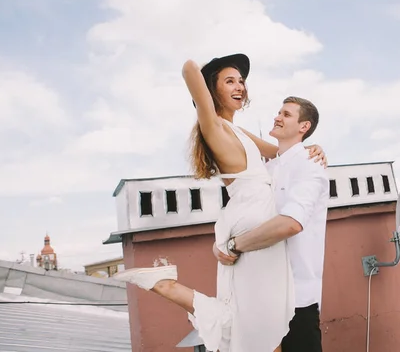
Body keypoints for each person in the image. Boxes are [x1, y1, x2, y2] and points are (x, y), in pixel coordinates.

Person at [113, 53, 327, 352]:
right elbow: (189, 68)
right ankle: (166, 286)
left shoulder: (238, 130)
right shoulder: (211, 123)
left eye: (241, 80)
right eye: (229, 81)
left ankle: (167, 285)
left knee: (252, 318)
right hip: (253, 213)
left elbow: (281, 151)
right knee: (255, 321)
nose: (239, 85)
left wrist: (312, 145)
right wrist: (211, 70)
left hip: (249, 213)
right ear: (212, 90)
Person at [214, 96, 329, 352]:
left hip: (296, 301)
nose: (277, 117)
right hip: (261, 294)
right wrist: (220, 244)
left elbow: (291, 224)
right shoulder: (268, 168)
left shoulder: (310, 164)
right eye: (278, 112)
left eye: (286, 114)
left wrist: (234, 246)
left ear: (304, 127)